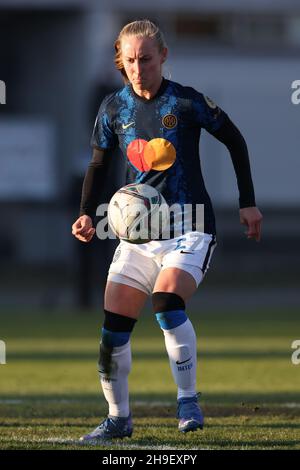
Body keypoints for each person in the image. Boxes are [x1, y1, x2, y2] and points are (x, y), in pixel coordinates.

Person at [72, 19, 263, 442]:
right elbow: (99, 164)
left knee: (166, 303)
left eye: (146, 58)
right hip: (136, 236)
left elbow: (235, 140)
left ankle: (188, 401)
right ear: (121, 61)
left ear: (163, 56)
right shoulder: (113, 108)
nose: (139, 68)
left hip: (189, 227)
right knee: (111, 333)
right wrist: (87, 213)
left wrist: (247, 202)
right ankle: (118, 419)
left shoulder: (188, 102)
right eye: (131, 60)